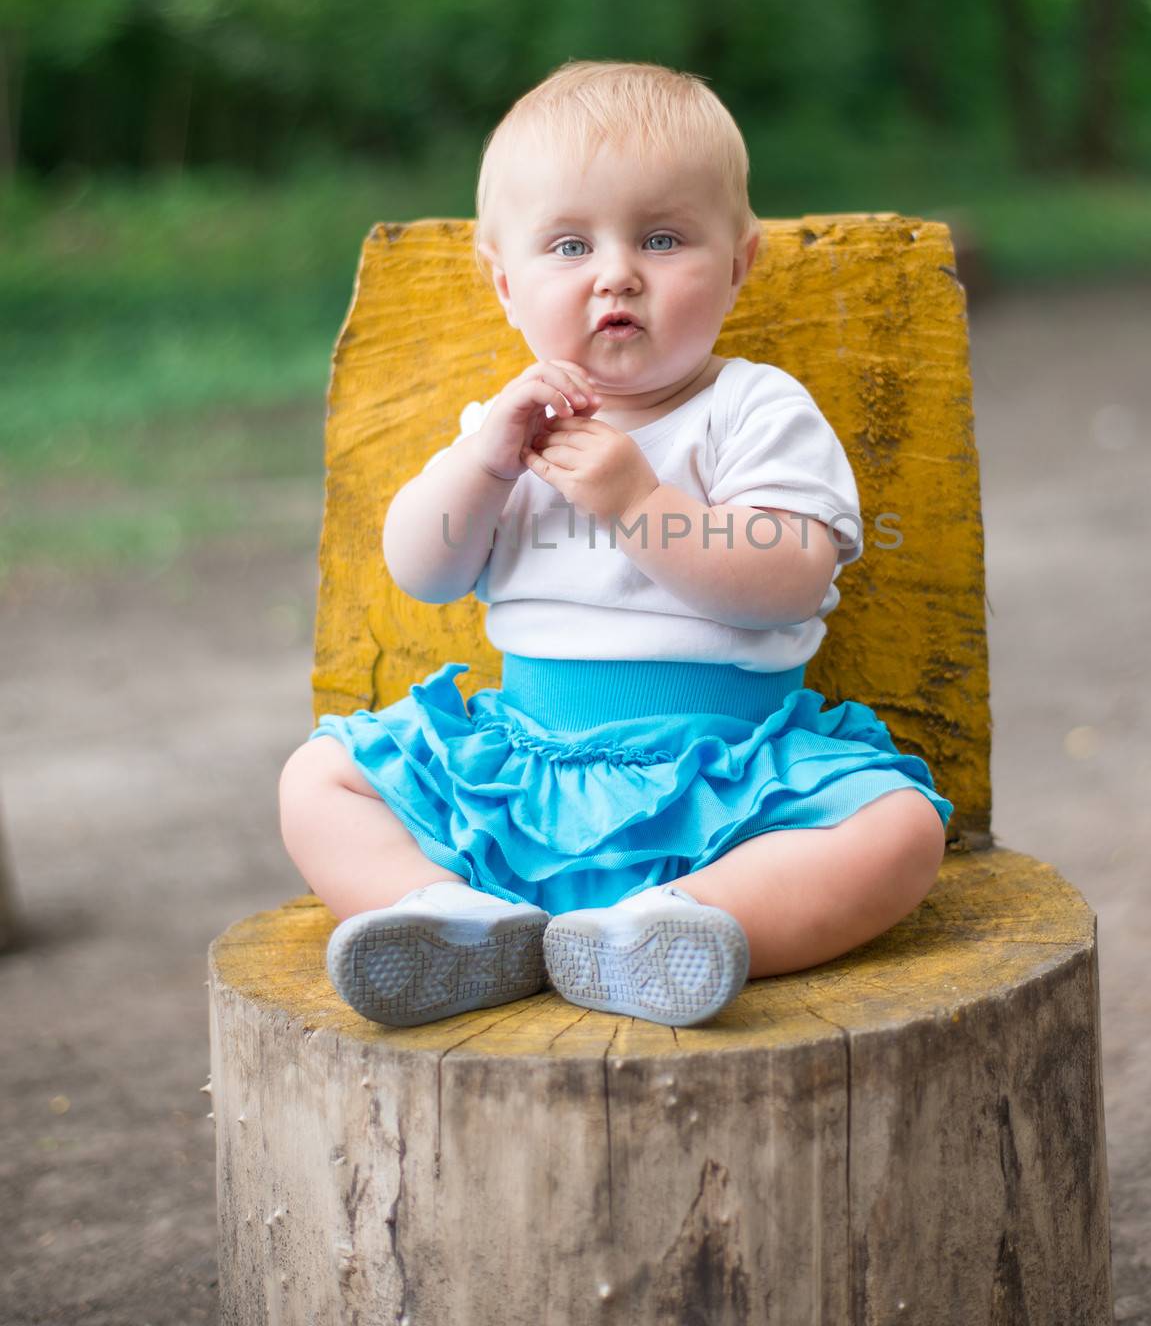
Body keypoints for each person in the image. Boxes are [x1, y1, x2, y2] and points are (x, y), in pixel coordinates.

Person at [278, 59, 953, 1030]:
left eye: (662, 236)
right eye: (567, 244)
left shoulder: (753, 408)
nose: (615, 272)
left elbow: (788, 577)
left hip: (726, 785)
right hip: (521, 779)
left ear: (738, 262)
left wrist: (638, 499)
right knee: (318, 779)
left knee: (894, 831)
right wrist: (483, 464)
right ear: (502, 281)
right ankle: (456, 921)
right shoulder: (504, 433)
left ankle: (678, 930)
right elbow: (421, 572)